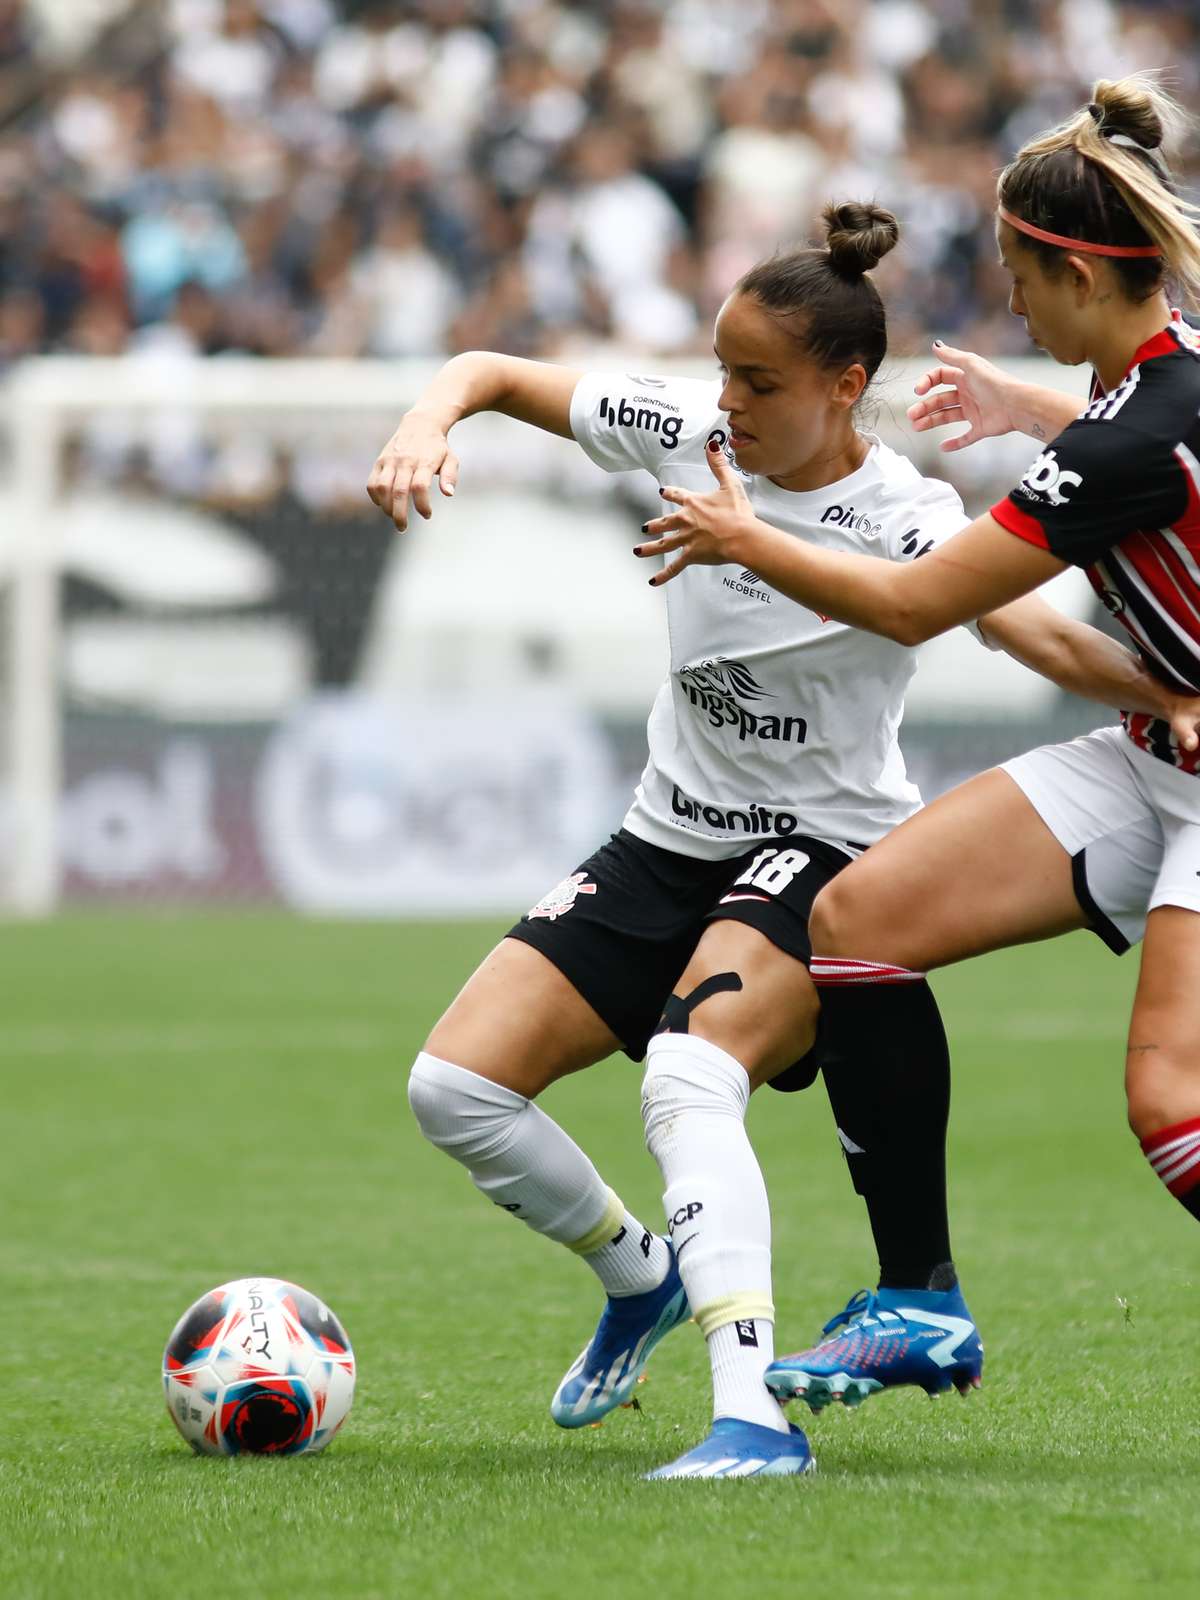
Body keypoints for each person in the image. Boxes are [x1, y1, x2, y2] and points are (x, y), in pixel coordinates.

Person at [367, 200, 1197, 1479]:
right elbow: (488, 373)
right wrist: (426, 427)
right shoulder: (687, 435)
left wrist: (1165, 693)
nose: (729, 403)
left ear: (845, 386)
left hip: (821, 848)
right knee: (454, 1092)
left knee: (686, 1080)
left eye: (759, 381)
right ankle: (638, 1279)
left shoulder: (901, 512)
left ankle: (750, 1417)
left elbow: (1024, 629)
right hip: (665, 836)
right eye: (722, 373)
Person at [630, 76, 1200, 1414]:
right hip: (1154, 752)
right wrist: (1030, 407)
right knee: (859, 914)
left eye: (1019, 275)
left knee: (1168, 1100)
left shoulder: (1137, 429)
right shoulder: (1147, 398)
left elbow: (908, 602)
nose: (1008, 298)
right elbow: (1141, 450)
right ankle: (918, 1305)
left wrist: (748, 536)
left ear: (1076, 272)